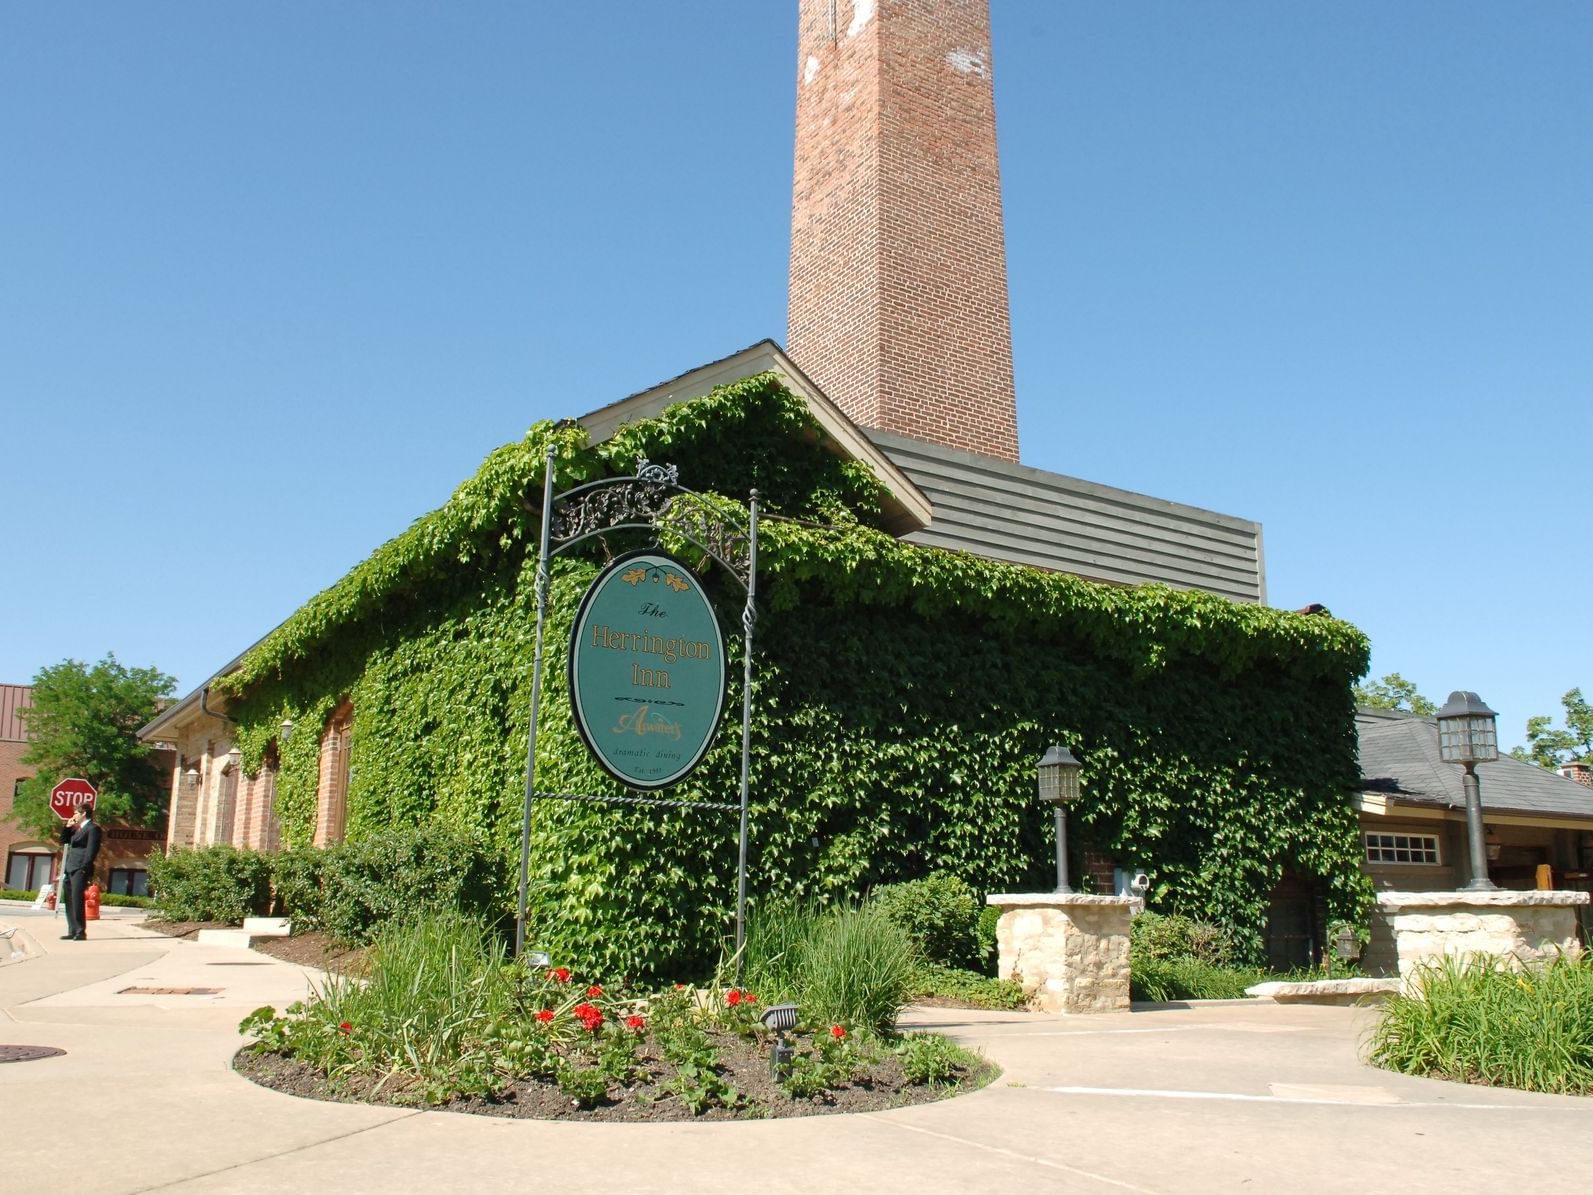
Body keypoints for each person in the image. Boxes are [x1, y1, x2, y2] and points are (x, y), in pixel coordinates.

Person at [59, 805, 101, 941]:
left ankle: (80, 931)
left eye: (76, 813)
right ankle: (72, 930)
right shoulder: (77, 830)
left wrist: (84, 868)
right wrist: (67, 827)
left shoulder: (93, 829)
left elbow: (91, 850)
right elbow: (64, 841)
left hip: (80, 868)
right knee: (69, 900)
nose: (74, 816)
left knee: (77, 900)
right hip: (70, 867)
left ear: (83, 814)